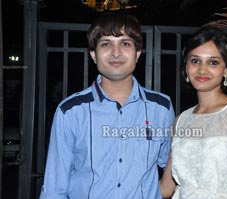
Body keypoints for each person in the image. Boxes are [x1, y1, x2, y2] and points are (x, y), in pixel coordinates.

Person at [39, 13, 175, 199]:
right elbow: (54, 188)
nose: (116, 52)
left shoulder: (161, 108)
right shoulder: (71, 111)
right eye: (106, 44)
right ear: (94, 55)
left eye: (125, 43)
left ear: (137, 53)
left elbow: (175, 166)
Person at [160, 27, 227, 199]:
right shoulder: (181, 120)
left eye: (213, 62)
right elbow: (166, 187)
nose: (202, 70)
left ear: (226, 70)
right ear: (186, 68)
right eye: (195, 61)